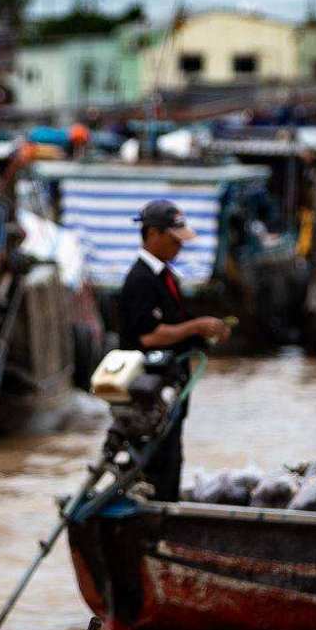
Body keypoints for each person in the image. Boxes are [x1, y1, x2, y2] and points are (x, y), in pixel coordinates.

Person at [115, 199, 227, 503]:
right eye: (173, 239)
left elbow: (173, 327)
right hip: (147, 395)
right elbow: (148, 336)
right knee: (158, 463)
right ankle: (155, 522)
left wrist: (202, 335)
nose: (179, 246)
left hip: (168, 389)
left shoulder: (166, 276)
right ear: (152, 234)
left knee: (171, 459)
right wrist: (196, 327)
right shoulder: (140, 280)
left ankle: (163, 513)